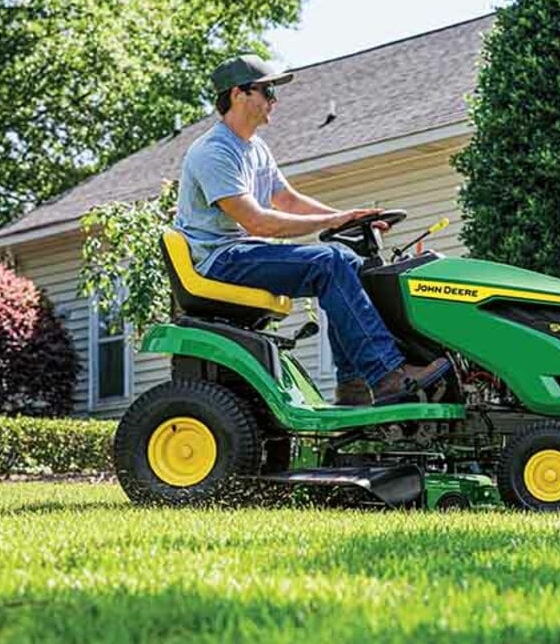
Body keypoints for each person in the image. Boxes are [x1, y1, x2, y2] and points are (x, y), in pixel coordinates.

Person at [174, 54, 447, 406]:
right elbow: (257, 221)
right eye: (268, 91)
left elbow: (287, 200)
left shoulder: (255, 148)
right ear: (238, 94)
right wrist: (331, 222)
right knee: (330, 262)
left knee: (350, 263)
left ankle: (353, 385)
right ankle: (386, 375)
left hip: (242, 253)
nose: (275, 100)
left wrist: (347, 218)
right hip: (219, 260)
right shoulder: (214, 152)